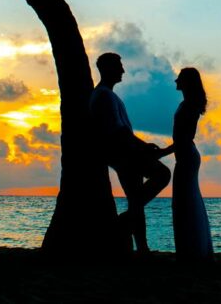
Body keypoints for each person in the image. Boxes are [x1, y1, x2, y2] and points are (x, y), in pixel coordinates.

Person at [89, 52, 171, 253]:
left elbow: (120, 130)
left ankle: (141, 246)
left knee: (136, 198)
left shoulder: (106, 95)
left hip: (124, 154)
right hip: (125, 155)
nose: (123, 70)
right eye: (119, 66)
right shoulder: (104, 95)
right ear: (108, 69)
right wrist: (143, 147)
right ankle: (121, 227)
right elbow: (118, 131)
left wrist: (142, 146)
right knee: (162, 175)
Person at [159, 67, 214, 261]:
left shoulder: (189, 105)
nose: (175, 82)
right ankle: (192, 249)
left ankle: (191, 251)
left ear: (187, 82)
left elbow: (185, 137)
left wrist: (163, 152)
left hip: (187, 157)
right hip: (185, 156)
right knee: (186, 201)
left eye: (179, 79)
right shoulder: (188, 103)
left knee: (185, 202)